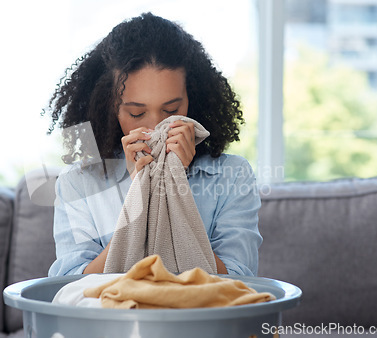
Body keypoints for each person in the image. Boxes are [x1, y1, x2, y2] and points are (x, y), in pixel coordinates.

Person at [46, 12, 262, 276]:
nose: (156, 127)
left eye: (171, 110)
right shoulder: (77, 182)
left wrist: (173, 186)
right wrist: (141, 196)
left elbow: (241, 279)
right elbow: (69, 283)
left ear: (191, 100)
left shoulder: (233, 176)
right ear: (110, 108)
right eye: (136, 114)